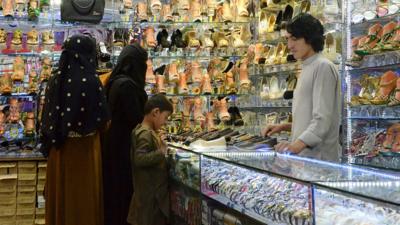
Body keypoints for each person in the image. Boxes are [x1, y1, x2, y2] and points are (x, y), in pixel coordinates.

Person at [41, 34, 110, 225]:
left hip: (60, 152)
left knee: (62, 201)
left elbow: (46, 121)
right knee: (84, 203)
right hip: (87, 152)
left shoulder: (55, 80)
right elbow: (103, 122)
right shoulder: (93, 81)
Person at [262, 13, 341, 162]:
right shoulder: (308, 67)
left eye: (295, 39)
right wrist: (285, 126)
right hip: (306, 162)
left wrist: (294, 147)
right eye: (287, 39)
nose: (289, 46)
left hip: (320, 163)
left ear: (310, 38)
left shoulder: (323, 67)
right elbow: (311, 118)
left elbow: (322, 120)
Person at [103, 43, 148, 225]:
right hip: (124, 151)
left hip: (113, 147)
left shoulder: (114, 81)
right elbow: (136, 119)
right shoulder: (127, 87)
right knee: (124, 198)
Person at [127, 94, 173, 225]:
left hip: (148, 195)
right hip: (151, 197)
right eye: (165, 117)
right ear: (156, 112)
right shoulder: (145, 133)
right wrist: (161, 152)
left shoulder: (144, 130)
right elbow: (140, 158)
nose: (165, 122)